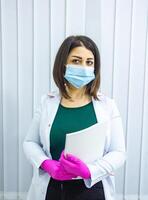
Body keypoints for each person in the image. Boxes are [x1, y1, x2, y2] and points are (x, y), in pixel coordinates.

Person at [23, 35, 126, 200]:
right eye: (76, 61)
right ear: (63, 65)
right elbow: (30, 143)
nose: (84, 67)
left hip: (91, 188)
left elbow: (119, 152)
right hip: (53, 188)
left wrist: (89, 171)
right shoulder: (47, 102)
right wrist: (46, 164)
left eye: (89, 62)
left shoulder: (107, 105)